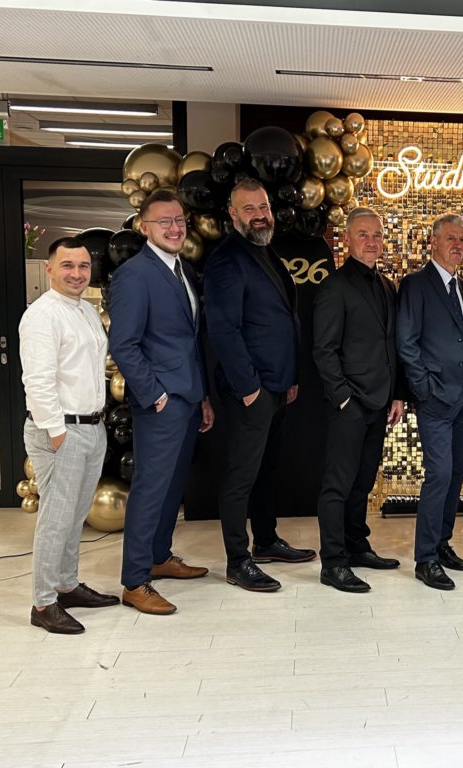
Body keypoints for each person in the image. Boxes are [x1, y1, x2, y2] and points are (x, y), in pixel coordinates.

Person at [203, 179, 317, 594]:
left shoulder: (266, 251)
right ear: (233, 214)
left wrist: (289, 379)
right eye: (248, 208)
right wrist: (249, 387)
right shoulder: (226, 259)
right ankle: (238, 560)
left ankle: (266, 541)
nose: (258, 215)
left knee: (267, 468)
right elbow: (224, 329)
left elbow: (282, 321)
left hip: (276, 385)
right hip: (250, 389)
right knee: (242, 475)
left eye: (263, 207)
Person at [109, 188, 214, 615]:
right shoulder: (135, 274)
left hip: (187, 397)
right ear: (144, 227)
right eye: (164, 221)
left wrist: (201, 396)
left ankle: (158, 556)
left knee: (172, 486)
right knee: (151, 488)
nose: (175, 228)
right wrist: (155, 395)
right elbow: (124, 344)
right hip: (161, 402)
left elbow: (189, 341)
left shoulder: (183, 270)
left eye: (179, 220)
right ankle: (135, 581)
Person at [20, 237, 119, 634]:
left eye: (83, 266)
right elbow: (38, 381)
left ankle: (66, 585)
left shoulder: (86, 311)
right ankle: (44, 604)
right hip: (60, 430)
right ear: (49, 269)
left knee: (75, 516)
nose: (77, 274)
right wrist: (57, 432)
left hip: (91, 426)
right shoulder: (42, 315)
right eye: (67, 266)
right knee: (56, 520)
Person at [312, 207, 404, 593]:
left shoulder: (387, 286)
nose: (371, 241)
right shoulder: (334, 287)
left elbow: (391, 346)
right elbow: (323, 349)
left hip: (380, 402)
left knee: (363, 481)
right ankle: (333, 562)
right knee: (338, 485)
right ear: (347, 239)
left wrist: (397, 394)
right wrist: (343, 400)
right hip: (349, 404)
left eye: (377, 235)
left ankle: (356, 546)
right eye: (363, 234)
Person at [395, 212, 463, 591]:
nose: (458, 245)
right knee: (440, 475)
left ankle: (442, 543)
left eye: (462, 239)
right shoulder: (415, 285)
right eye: (451, 238)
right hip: (435, 397)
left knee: (456, 473)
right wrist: (424, 389)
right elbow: (406, 343)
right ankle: (425, 558)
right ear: (433, 242)